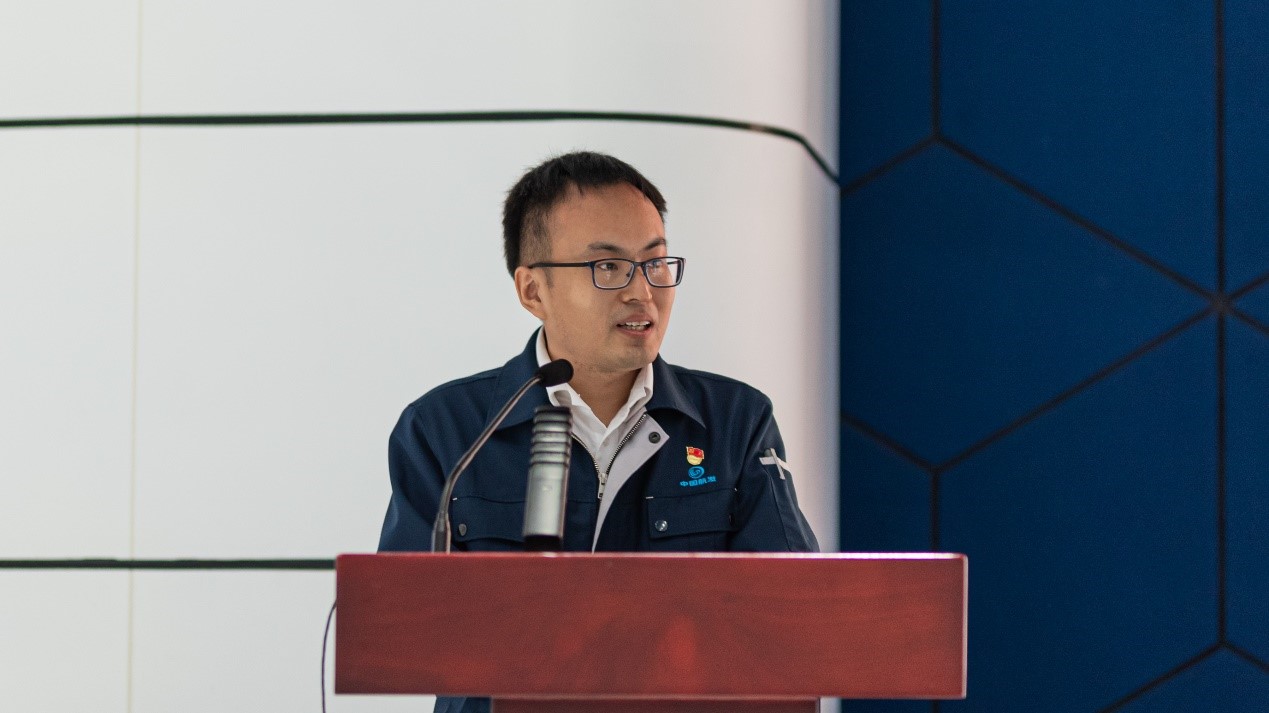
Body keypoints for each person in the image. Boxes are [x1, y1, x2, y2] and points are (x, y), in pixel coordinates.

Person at [378, 151, 818, 712]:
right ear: (533, 291)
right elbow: (407, 631)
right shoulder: (447, 430)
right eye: (608, 267)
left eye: (656, 263)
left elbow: (795, 615)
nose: (642, 292)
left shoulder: (735, 421)